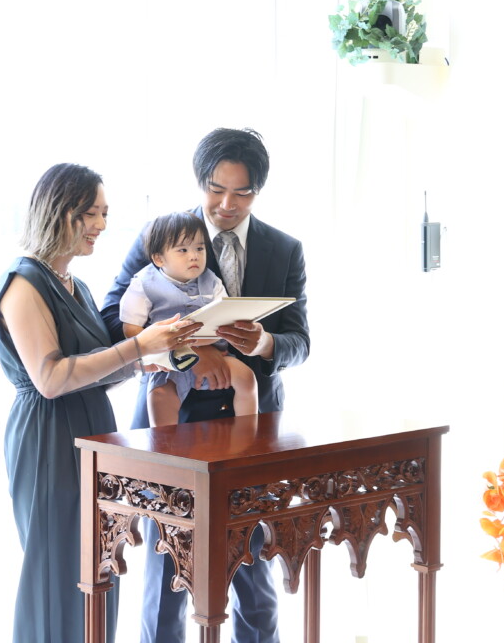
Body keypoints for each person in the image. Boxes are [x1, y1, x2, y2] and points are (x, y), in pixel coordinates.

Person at [101, 127, 310, 643]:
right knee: (166, 577)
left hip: (251, 429)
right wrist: (190, 353)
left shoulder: (285, 250)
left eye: (242, 192)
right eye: (216, 190)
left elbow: (300, 342)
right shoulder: (163, 235)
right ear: (200, 182)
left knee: (256, 574)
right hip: (171, 421)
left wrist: (264, 342)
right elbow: (114, 322)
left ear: (259, 190)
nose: (227, 204)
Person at [0, 163, 200, 643]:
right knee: (57, 572)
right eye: (91, 213)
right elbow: (50, 379)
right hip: (48, 437)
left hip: (93, 435)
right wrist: (137, 346)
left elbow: (94, 371)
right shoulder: (23, 283)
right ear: (58, 211)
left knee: (99, 567)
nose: (102, 225)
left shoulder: (76, 285)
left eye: (105, 213)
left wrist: (151, 358)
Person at [120, 211, 258, 425]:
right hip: (168, 362)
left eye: (199, 249)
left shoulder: (212, 281)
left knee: (246, 377)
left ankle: (248, 432)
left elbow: (225, 319)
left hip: (214, 354)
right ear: (159, 258)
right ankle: (165, 442)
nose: (194, 256)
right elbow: (131, 328)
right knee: (159, 395)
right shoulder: (143, 283)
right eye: (183, 250)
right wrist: (161, 349)